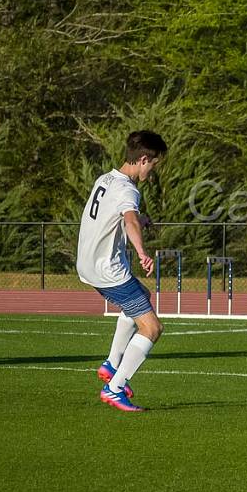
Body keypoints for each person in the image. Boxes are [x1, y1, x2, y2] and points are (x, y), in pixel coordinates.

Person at [76, 130, 168, 412]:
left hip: (87, 264)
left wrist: (140, 217)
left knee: (140, 294)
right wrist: (141, 252)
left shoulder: (106, 179)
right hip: (108, 270)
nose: (152, 172)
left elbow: (117, 214)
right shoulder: (129, 189)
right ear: (143, 159)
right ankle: (115, 388)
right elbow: (128, 220)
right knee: (152, 328)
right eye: (153, 165)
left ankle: (111, 364)